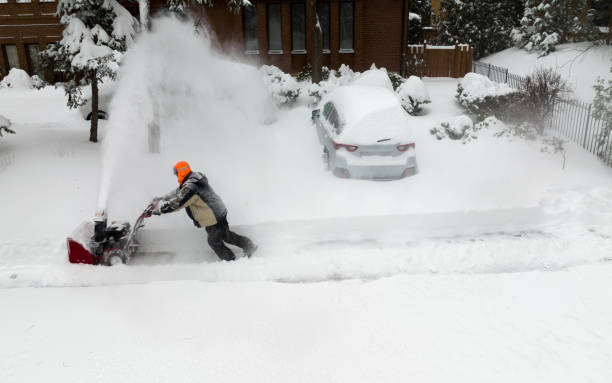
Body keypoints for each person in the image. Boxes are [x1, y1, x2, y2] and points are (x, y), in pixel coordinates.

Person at [150, 161, 257, 261]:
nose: (176, 175)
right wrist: (163, 198)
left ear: (182, 172)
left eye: (177, 173)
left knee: (214, 241)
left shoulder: (191, 186)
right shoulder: (193, 179)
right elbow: (179, 191)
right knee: (226, 236)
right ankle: (249, 246)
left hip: (213, 216)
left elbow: (178, 202)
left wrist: (160, 210)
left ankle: (229, 261)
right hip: (218, 211)